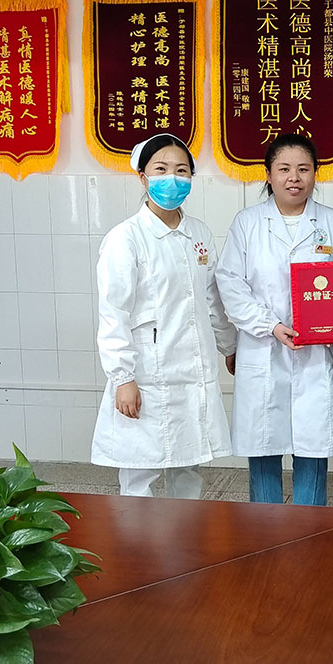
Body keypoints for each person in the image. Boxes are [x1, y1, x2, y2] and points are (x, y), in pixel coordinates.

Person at [215, 133, 333, 505]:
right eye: (284, 169)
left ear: (315, 174)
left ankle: (309, 532)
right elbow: (229, 282)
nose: (294, 178)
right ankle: (266, 533)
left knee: (313, 451)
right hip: (263, 350)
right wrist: (270, 325)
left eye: (303, 169)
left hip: (315, 355)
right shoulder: (248, 222)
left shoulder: (331, 221)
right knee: (264, 449)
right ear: (268, 174)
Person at [91, 133, 236, 498]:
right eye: (161, 169)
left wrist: (230, 346)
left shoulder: (198, 233)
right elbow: (114, 313)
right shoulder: (126, 238)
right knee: (140, 468)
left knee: (189, 463)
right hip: (146, 373)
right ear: (143, 177)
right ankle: (138, 535)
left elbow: (211, 298)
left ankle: (185, 533)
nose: (172, 178)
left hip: (193, 371)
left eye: (181, 170)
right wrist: (123, 378)